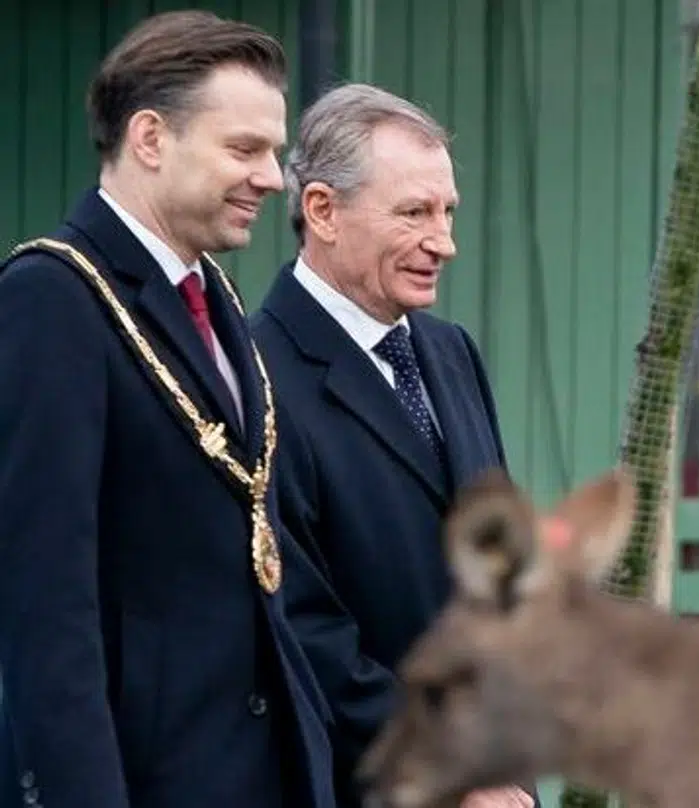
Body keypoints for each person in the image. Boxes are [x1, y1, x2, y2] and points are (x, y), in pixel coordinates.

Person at [0, 11, 340, 808]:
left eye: (273, 152)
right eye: (244, 149)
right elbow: (47, 605)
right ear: (150, 138)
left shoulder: (210, 294)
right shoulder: (52, 297)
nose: (272, 178)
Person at [249, 83, 532, 808]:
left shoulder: (451, 352)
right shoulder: (253, 377)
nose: (444, 242)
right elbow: (302, 626)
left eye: (447, 212)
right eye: (414, 213)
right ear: (322, 210)